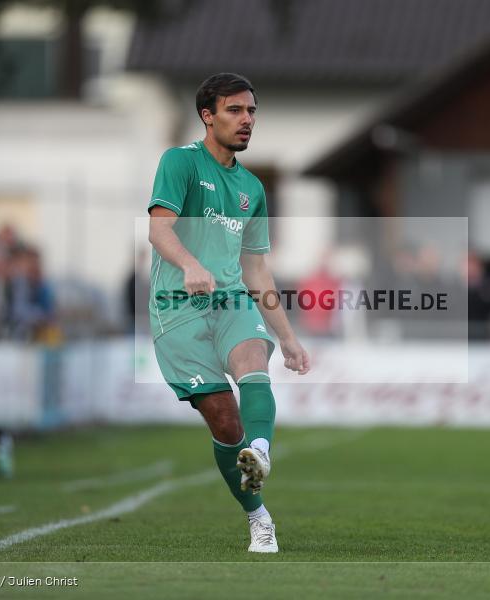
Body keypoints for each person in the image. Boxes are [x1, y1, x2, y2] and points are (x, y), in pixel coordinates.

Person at [147, 73, 309, 553]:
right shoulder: (179, 162)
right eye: (235, 110)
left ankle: (259, 452)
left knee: (254, 362)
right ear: (207, 115)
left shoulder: (252, 188)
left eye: (251, 111)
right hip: (176, 309)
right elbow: (159, 230)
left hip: (231, 300)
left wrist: (288, 337)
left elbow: (256, 270)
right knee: (224, 422)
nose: (246, 120)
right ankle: (258, 516)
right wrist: (190, 265)